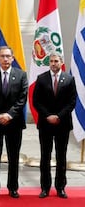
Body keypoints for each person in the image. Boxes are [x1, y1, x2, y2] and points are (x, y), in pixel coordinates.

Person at [0, 46, 28, 199]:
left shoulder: (21, 75)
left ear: (13, 58)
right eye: (3, 56)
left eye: (8, 56)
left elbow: (22, 99)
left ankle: (13, 187)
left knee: (13, 156)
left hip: (14, 123)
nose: (6, 59)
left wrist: (9, 115)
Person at [33, 53, 77, 199]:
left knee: (61, 156)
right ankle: (45, 187)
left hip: (62, 124)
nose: (53, 63)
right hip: (45, 124)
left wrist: (59, 116)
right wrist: (48, 116)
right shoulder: (41, 79)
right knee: (45, 156)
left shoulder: (69, 79)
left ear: (61, 62)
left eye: (56, 61)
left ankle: (60, 187)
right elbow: (36, 101)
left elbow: (71, 102)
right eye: (51, 61)